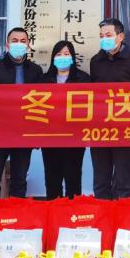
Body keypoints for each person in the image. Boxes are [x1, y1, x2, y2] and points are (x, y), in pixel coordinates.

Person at [0, 27, 43, 198]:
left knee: (19, 179)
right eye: (14, 41)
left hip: (24, 132)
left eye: (23, 41)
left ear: (28, 45)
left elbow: (41, 104)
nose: (19, 44)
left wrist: (37, 135)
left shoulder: (35, 70)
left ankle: (17, 212)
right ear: (7, 45)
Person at [89, 18, 130, 199]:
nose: (104, 39)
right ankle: (103, 213)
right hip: (100, 129)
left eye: (108, 35)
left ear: (120, 36)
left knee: (124, 181)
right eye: (101, 36)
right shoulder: (96, 61)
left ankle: (123, 215)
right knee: (101, 180)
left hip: (125, 129)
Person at [40, 40, 91, 200]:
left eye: (66, 54)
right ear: (53, 58)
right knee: (52, 179)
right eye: (59, 54)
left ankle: (72, 212)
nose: (62, 57)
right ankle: (54, 211)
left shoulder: (83, 79)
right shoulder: (44, 80)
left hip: (74, 138)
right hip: (50, 138)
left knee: (73, 179)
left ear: (73, 57)